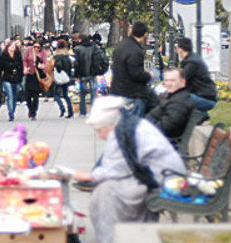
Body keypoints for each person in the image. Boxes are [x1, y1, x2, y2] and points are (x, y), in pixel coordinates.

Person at [71, 96, 186, 243]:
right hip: (160, 174)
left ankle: (112, 237)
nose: (98, 134)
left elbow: (116, 169)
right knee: (104, 191)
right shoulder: (126, 127)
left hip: (163, 178)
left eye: (99, 129)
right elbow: (117, 166)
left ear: (109, 124)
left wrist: (89, 176)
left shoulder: (122, 133)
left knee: (107, 195)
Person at [110, 21, 153, 116]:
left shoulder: (121, 46)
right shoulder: (135, 51)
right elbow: (136, 74)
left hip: (118, 91)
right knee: (132, 126)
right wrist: (148, 75)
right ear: (145, 34)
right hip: (131, 94)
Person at [146, 68, 196, 141]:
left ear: (183, 82)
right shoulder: (174, 97)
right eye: (166, 80)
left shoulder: (179, 103)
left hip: (162, 142)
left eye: (172, 80)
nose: (168, 84)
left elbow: (165, 127)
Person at [176, 38, 217, 122]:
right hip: (206, 96)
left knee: (180, 98)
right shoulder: (193, 59)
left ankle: (200, 115)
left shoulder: (191, 63)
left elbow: (181, 80)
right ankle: (201, 115)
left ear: (180, 49)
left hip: (205, 98)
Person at [0, 40, 23, 121]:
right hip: (7, 78)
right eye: (11, 46)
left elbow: (21, 67)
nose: (12, 48)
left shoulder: (18, 56)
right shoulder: (3, 56)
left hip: (16, 78)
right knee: (10, 96)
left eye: (14, 46)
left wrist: (21, 76)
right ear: (7, 47)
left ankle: (13, 109)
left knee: (15, 96)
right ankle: (11, 113)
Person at [23, 40, 48, 120]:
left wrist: (42, 66)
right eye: (35, 46)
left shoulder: (43, 52)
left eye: (38, 47)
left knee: (35, 95)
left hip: (37, 76)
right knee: (28, 95)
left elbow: (45, 63)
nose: (36, 48)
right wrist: (25, 68)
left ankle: (34, 113)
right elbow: (25, 60)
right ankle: (30, 109)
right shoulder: (29, 50)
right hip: (30, 74)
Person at [74, 35, 98, 116]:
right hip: (93, 72)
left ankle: (83, 111)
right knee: (93, 92)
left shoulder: (78, 49)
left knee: (82, 93)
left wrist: (76, 74)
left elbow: (76, 63)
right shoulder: (94, 48)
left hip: (82, 73)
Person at [53, 39, 74, 118]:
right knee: (66, 95)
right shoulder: (67, 56)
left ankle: (62, 108)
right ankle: (70, 112)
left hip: (58, 77)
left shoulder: (56, 56)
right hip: (66, 77)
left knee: (56, 95)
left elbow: (56, 66)